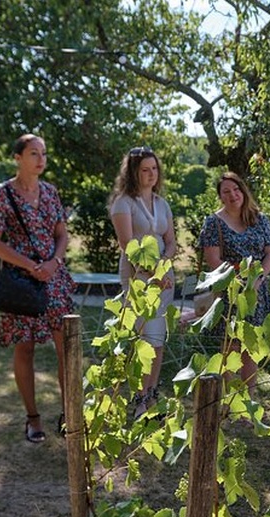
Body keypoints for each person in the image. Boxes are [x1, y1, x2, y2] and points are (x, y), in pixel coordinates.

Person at [0, 134, 76, 443]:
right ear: (18, 158)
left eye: (44, 154)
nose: (40, 159)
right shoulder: (1, 194)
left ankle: (69, 414)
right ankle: (33, 418)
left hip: (54, 279)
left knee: (66, 347)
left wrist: (54, 262)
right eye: (34, 153)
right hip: (22, 284)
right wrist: (29, 265)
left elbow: (62, 234)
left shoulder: (50, 192)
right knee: (25, 347)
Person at [109, 146, 176, 419]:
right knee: (143, 341)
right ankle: (137, 399)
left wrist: (164, 268)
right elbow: (127, 245)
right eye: (145, 170)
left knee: (158, 340)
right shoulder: (123, 203)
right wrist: (152, 274)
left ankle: (151, 396)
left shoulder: (162, 203)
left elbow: (171, 241)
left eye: (154, 169)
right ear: (133, 172)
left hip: (164, 275)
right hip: (137, 276)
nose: (151, 174)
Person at [198, 172, 270, 398]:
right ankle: (228, 400)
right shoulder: (214, 223)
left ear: (243, 191)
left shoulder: (260, 219)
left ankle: (247, 400)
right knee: (230, 347)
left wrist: (258, 278)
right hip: (229, 291)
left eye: (236, 189)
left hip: (256, 293)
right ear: (221, 197)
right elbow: (213, 259)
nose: (233, 195)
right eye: (226, 191)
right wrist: (239, 278)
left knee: (250, 348)